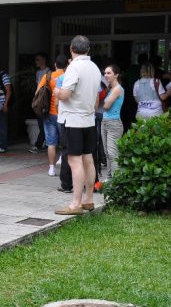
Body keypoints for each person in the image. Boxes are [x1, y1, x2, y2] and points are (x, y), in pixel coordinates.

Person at [54, 35, 102, 215]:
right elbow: (96, 101)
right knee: (88, 159)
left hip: (73, 120)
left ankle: (75, 204)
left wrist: (57, 91)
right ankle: (88, 200)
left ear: (71, 49)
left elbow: (65, 95)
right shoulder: (95, 68)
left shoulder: (74, 67)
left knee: (74, 161)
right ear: (88, 49)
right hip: (89, 119)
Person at [36, 55, 67, 177]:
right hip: (63, 114)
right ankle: (62, 160)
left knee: (51, 142)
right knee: (64, 141)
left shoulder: (47, 76)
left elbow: (37, 92)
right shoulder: (68, 77)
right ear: (67, 65)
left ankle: (51, 168)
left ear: (55, 65)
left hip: (48, 113)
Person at [101, 64, 124, 180]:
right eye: (105, 73)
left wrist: (103, 104)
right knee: (107, 152)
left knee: (112, 153)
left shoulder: (117, 89)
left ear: (116, 75)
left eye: (109, 73)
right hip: (105, 121)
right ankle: (109, 177)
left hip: (114, 123)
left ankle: (116, 180)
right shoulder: (110, 89)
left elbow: (106, 106)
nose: (106, 75)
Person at [29, 52, 51, 154]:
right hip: (39, 100)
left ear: (44, 60)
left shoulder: (48, 72)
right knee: (41, 123)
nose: (36, 62)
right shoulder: (38, 72)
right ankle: (45, 144)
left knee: (43, 124)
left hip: (44, 101)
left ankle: (39, 144)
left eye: (38, 59)